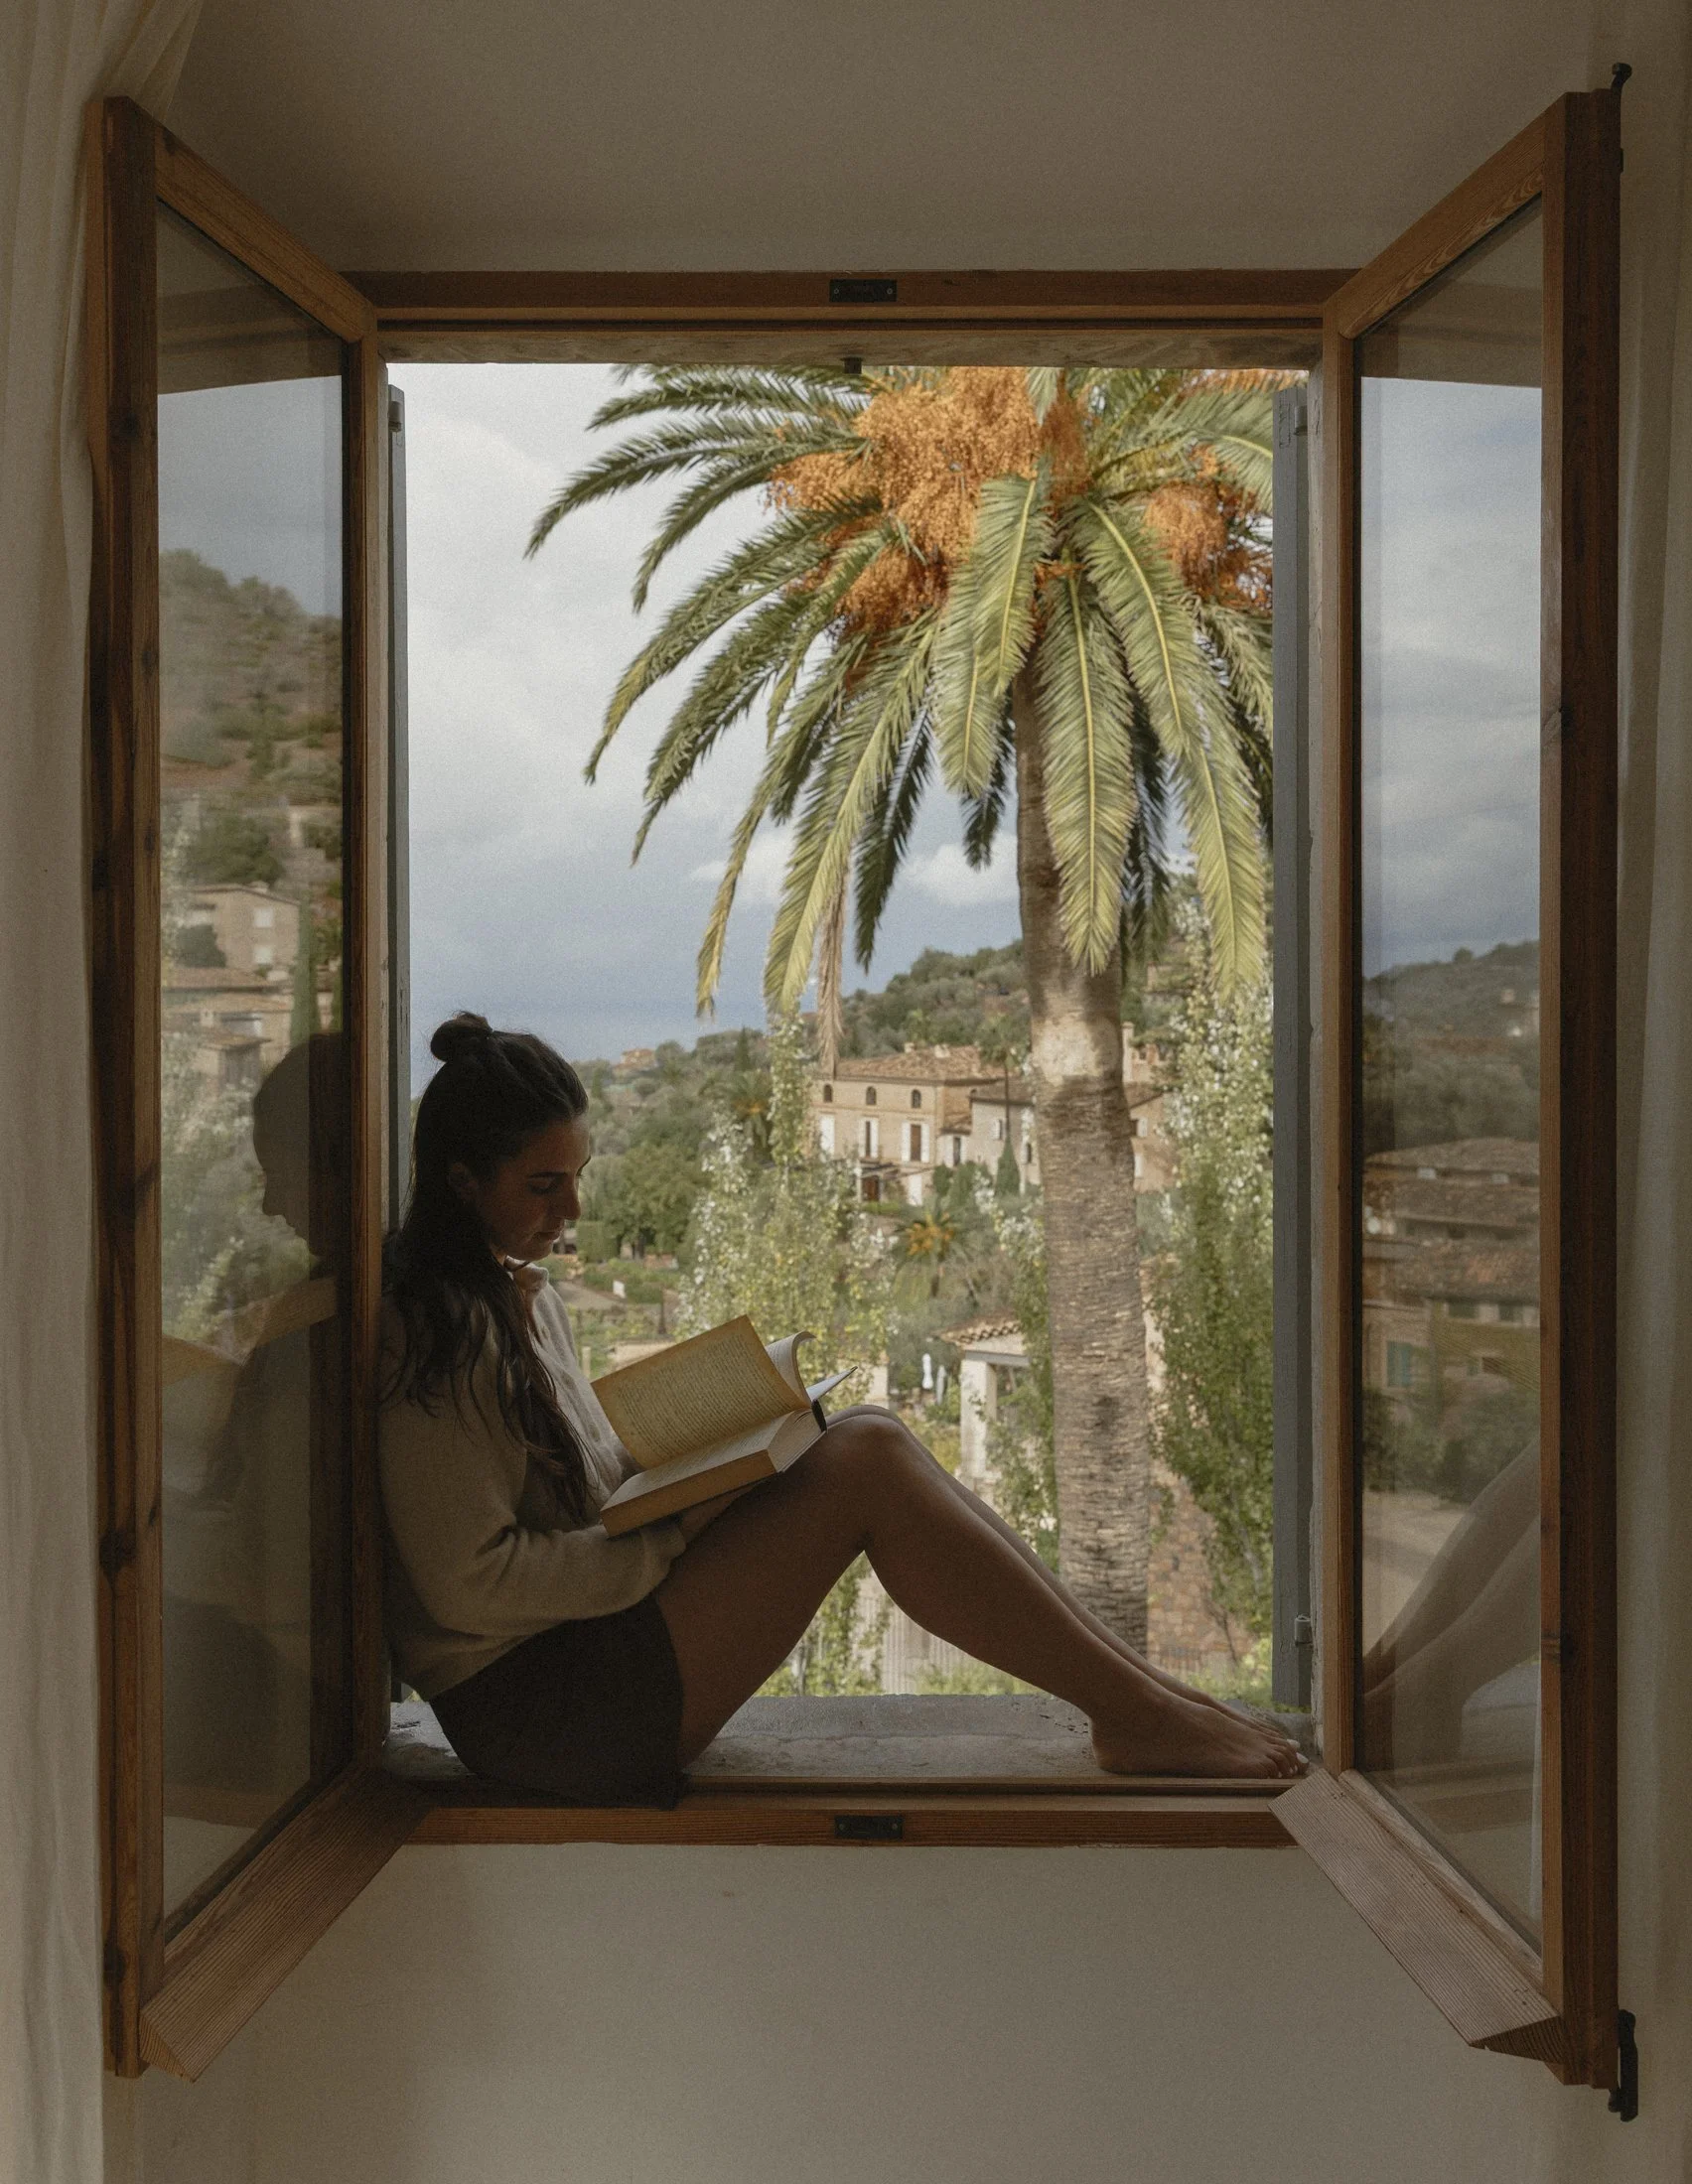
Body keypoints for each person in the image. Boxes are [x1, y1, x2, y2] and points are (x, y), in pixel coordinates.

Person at [378, 1013, 1305, 1806]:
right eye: (545, 1186)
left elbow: (581, 1487)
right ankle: (1138, 1715)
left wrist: (712, 1449)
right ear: (463, 1183)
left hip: (589, 1650)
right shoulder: (430, 1346)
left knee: (872, 1432)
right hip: (549, 1716)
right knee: (863, 1469)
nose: (574, 1208)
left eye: (576, 1175)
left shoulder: (521, 1303)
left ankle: (1151, 1700)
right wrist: (668, 1534)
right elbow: (468, 1584)